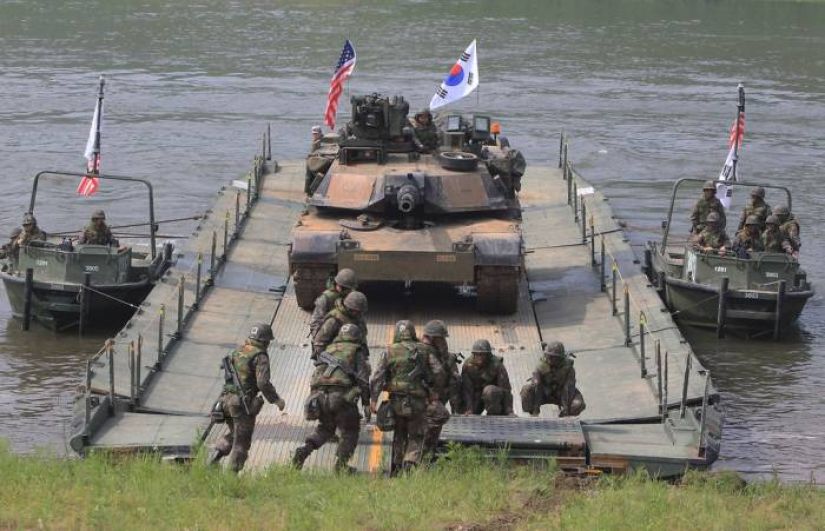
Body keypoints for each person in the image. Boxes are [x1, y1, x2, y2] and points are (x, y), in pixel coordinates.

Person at [292, 323, 370, 473]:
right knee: (350, 431)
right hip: (341, 397)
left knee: (325, 428)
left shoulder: (328, 350)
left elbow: (315, 375)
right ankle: (341, 466)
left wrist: (314, 397)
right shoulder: (356, 351)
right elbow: (363, 379)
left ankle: (305, 450)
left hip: (320, 396)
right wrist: (366, 403)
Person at [370, 320, 442, 476]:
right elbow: (438, 371)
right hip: (417, 401)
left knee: (399, 434)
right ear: (413, 333)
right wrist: (434, 391)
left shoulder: (389, 351)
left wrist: (374, 400)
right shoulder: (425, 350)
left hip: (397, 400)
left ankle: (397, 467)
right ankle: (410, 461)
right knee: (417, 434)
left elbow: (377, 377)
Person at [213, 323, 286, 473]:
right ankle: (231, 477)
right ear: (265, 341)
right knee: (242, 442)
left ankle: (215, 456)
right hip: (241, 404)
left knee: (236, 434)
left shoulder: (238, 351)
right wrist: (276, 400)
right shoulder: (260, 356)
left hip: (224, 400)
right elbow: (262, 383)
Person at [420, 319, 461, 461]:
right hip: (423, 396)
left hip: (426, 394)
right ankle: (426, 452)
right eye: (441, 338)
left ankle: (427, 450)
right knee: (440, 415)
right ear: (433, 338)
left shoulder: (429, 349)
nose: (443, 341)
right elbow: (439, 373)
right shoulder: (426, 351)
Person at [520, 341, 585, 417]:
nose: (551, 359)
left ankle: (563, 416)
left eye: (554, 357)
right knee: (526, 391)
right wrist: (535, 409)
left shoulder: (568, 369)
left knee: (578, 404)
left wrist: (566, 409)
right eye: (549, 356)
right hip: (544, 393)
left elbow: (569, 388)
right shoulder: (541, 366)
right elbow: (536, 385)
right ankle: (532, 413)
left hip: (560, 393)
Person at [461, 339, 514, 416]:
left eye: (482, 354)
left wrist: (509, 410)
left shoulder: (496, 364)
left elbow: (505, 388)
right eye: (477, 354)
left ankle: (494, 414)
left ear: (488, 355)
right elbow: (467, 389)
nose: (479, 357)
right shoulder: (467, 366)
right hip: (477, 395)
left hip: (493, 397)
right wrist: (469, 409)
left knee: (489, 391)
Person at [312, 290, 369, 360]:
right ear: (348, 307)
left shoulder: (359, 318)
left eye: (360, 311)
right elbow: (319, 343)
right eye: (355, 311)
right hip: (334, 356)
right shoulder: (334, 320)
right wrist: (326, 360)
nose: (358, 314)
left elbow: (363, 338)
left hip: (352, 356)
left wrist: (364, 357)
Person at [309, 268, 358, 338]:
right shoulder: (326, 298)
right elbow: (316, 322)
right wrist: (318, 339)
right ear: (337, 285)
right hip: (329, 334)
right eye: (345, 289)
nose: (348, 292)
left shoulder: (352, 296)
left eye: (350, 289)